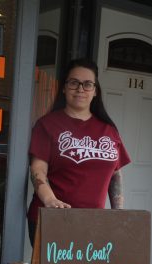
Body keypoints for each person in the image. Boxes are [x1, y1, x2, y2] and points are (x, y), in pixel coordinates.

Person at [27, 58, 131, 244]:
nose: (80, 89)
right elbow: (37, 169)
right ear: (64, 88)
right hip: (54, 219)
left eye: (87, 84)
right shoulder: (47, 125)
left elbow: (116, 174)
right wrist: (50, 200)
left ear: (95, 91)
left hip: (93, 223)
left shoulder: (109, 130)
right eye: (74, 82)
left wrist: (118, 214)